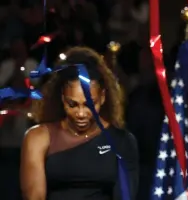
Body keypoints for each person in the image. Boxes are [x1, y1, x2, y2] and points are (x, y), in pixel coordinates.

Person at [20, 47, 139, 200]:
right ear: (63, 98)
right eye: (73, 104)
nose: (81, 113)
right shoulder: (38, 138)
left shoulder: (122, 141)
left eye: (90, 104)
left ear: (102, 98)